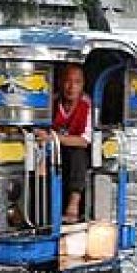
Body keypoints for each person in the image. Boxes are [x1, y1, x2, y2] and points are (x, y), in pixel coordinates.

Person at [37, 63, 94, 224]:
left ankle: (73, 206)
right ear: (61, 83)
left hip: (75, 152)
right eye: (68, 81)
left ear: (82, 85)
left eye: (77, 82)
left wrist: (54, 138)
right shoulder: (51, 102)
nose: (71, 87)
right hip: (52, 150)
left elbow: (84, 140)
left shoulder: (87, 105)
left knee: (78, 154)